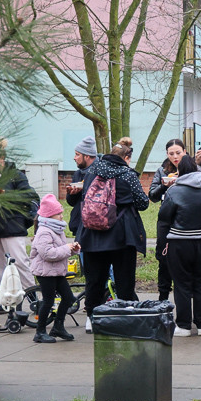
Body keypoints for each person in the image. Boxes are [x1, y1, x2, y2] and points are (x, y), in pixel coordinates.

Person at [77, 137, 149, 328]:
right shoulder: (127, 174)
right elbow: (143, 203)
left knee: (95, 280)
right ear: (127, 156)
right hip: (122, 235)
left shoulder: (92, 171)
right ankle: (125, 316)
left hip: (93, 234)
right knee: (124, 280)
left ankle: (92, 318)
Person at [0, 138, 38, 310]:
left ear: (2, 158)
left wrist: (5, 197)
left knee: (20, 264)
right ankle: (5, 303)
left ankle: (33, 299)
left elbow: (30, 196)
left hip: (12, 227)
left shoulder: (16, 175)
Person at [159, 155, 201, 337]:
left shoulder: (174, 192)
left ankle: (183, 325)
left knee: (182, 283)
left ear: (180, 171)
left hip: (179, 242)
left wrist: (162, 245)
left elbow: (164, 218)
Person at [30, 194, 81, 343]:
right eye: (58, 213)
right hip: (45, 272)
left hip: (56, 271)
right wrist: (66, 248)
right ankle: (39, 332)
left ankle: (58, 327)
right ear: (49, 215)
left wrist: (72, 249)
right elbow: (48, 254)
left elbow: (59, 250)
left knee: (69, 298)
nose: (61, 215)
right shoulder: (44, 232)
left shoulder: (56, 229)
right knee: (48, 300)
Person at [148, 139, 187, 302]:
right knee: (163, 259)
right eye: (171, 154)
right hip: (166, 220)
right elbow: (152, 196)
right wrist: (165, 185)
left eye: (178, 153)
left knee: (184, 260)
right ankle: (163, 298)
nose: (175, 157)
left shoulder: (192, 169)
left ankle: (185, 296)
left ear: (185, 151)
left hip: (186, 219)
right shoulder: (162, 170)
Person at [65, 135, 98, 237]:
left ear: (87, 156)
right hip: (79, 225)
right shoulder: (78, 174)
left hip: (95, 225)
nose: (74, 158)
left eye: (77, 154)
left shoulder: (100, 174)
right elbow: (71, 202)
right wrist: (72, 193)